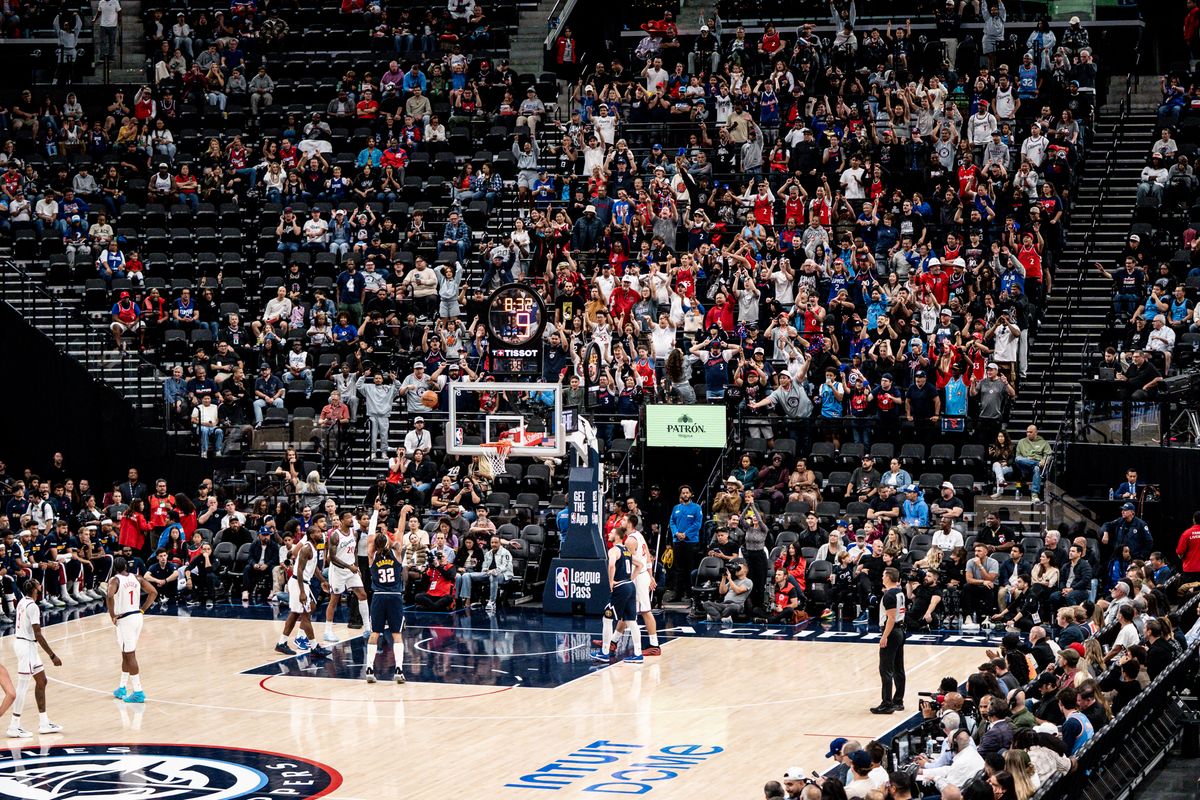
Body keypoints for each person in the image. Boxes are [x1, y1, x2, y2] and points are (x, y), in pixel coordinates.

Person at [8, 579, 63, 738]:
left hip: (26, 645)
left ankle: (44, 723)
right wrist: (52, 655)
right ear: (34, 589)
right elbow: (38, 634)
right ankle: (14, 726)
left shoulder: (22, 601)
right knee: (22, 686)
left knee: (42, 681)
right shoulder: (32, 607)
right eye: (38, 585)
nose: (41, 586)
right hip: (26, 646)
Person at [106, 556, 157, 704]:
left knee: (130, 654)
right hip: (137, 617)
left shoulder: (115, 580)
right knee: (125, 653)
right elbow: (153, 592)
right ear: (126, 567)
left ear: (114, 568)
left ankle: (138, 691)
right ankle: (122, 687)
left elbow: (109, 595)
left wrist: (112, 615)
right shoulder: (137, 578)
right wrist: (143, 609)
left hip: (125, 620)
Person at [590, 524, 644, 663]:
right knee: (631, 621)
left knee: (607, 618)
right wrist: (630, 579)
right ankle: (638, 654)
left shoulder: (613, 550)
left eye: (612, 533)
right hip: (630, 586)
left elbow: (611, 565)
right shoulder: (627, 551)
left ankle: (604, 652)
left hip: (620, 587)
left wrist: (611, 581)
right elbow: (640, 565)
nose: (609, 534)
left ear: (618, 536)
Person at [364, 509, 406, 684]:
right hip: (394, 596)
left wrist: (375, 512)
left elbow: (370, 536)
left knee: (375, 633)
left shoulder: (372, 555)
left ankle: (369, 668)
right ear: (388, 542)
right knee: (396, 634)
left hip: (379, 597)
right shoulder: (396, 553)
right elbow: (401, 531)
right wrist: (402, 514)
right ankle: (399, 670)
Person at [275, 530, 332, 657]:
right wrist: (302, 592)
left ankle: (281, 643)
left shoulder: (314, 548)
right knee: (306, 615)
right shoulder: (307, 548)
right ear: (311, 536)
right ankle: (314, 647)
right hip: (298, 583)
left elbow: (314, 568)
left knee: (295, 613)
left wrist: (323, 581)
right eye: (317, 532)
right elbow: (299, 570)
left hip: (303, 583)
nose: (320, 534)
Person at [323, 512, 371, 642]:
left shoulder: (354, 533)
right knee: (334, 600)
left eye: (351, 517)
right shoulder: (335, 535)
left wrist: (356, 566)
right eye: (348, 518)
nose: (351, 520)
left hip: (351, 569)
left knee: (363, 595)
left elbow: (355, 551)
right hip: (337, 571)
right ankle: (328, 631)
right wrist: (349, 567)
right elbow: (332, 558)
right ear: (342, 520)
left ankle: (367, 628)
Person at [623, 515, 662, 655]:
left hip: (638, 577)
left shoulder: (630, 541)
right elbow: (648, 559)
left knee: (645, 611)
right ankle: (613, 642)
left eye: (624, 520)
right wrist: (650, 576)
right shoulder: (639, 535)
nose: (621, 521)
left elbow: (628, 564)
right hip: (643, 575)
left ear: (629, 524)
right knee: (626, 609)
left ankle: (654, 645)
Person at [872, 567, 906, 714]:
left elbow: (891, 618)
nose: (882, 577)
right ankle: (898, 701)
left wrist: (884, 636)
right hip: (900, 630)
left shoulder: (889, 595)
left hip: (892, 632)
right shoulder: (899, 592)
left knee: (885, 669)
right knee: (898, 668)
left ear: (888, 577)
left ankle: (887, 704)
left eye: (883, 575)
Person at [1014, 424, 1050, 502]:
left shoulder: (1043, 443)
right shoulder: (1021, 442)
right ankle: (1036, 463)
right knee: (1017, 459)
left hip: (1036, 468)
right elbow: (1018, 457)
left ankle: (1034, 494)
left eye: (1030, 432)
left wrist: (1044, 460)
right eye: (1027, 432)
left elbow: (1048, 455)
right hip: (1024, 467)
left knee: (1037, 468)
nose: (1028, 434)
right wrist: (1027, 459)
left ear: (1036, 433)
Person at [1177, 510, 1200, 583]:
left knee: (1189, 589)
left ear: (1194, 520)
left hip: (1190, 569)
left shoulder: (1187, 533)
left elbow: (1180, 552)